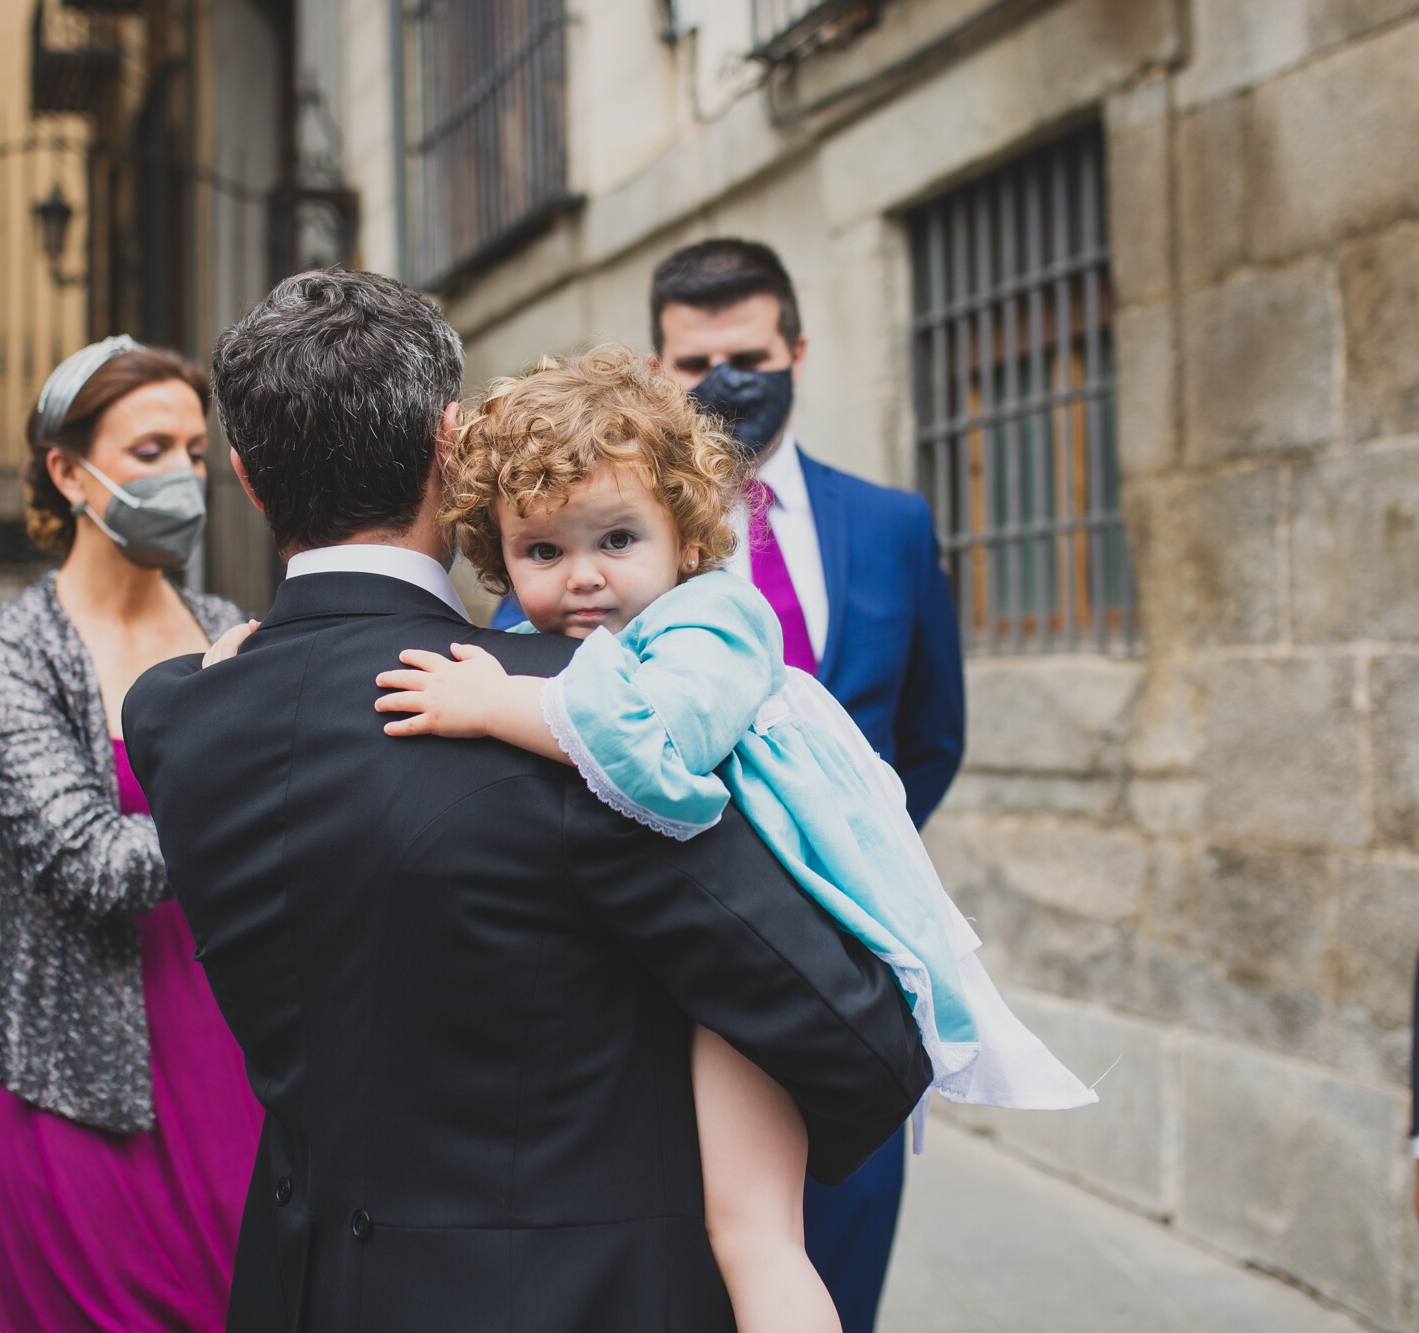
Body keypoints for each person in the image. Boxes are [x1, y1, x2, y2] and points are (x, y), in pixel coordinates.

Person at [122, 268, 931, 1333]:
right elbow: (846, 1029)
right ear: (450, 445)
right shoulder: (571, 708)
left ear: (243, 477)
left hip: (299, 1290)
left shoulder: (181, 714)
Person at [366, 346, 1094, 1332]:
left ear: (687, 535)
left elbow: (652, 757)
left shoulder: (717, 620)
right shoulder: (583, 636)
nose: (580, 577)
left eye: (615, 538)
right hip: (702, 946)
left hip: (773, 949)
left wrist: (497, 704)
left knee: (750, 1231)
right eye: (541, 552)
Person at [492, 238, 967, 1329]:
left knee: (825, 1262)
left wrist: (836, 867)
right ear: (659, 372)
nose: (726, 384)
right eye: (696, 365)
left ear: (796, 349)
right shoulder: (572, 560)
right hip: (656, 996)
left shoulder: (889, 526)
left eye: (748, 354)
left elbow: (930, 736)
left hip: (844, 975)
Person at [0, 335, 261, 1332]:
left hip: (241, 1074)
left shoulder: (227, 623)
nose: (179, 475)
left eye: (192, 451)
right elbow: (88, 864)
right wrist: (258, 782)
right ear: (64, 468)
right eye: (147, 451)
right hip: (77, 1097)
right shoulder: (8, 652)